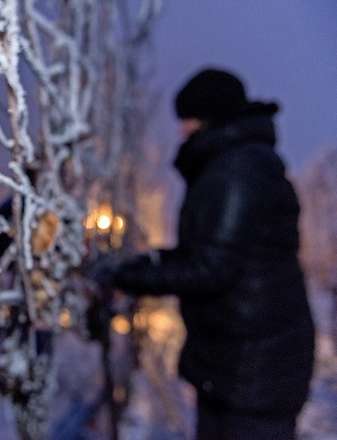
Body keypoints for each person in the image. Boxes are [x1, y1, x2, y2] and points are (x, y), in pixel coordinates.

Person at [91, 67, 315, 440]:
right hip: (245, 364)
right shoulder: (240, 164)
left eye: (189, 119)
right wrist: (147, 264)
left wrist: (125, 276)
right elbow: (209, 252)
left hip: (254, 371)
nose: (182, 130)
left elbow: (210, 268)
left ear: (210, 117)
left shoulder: (237, 170)